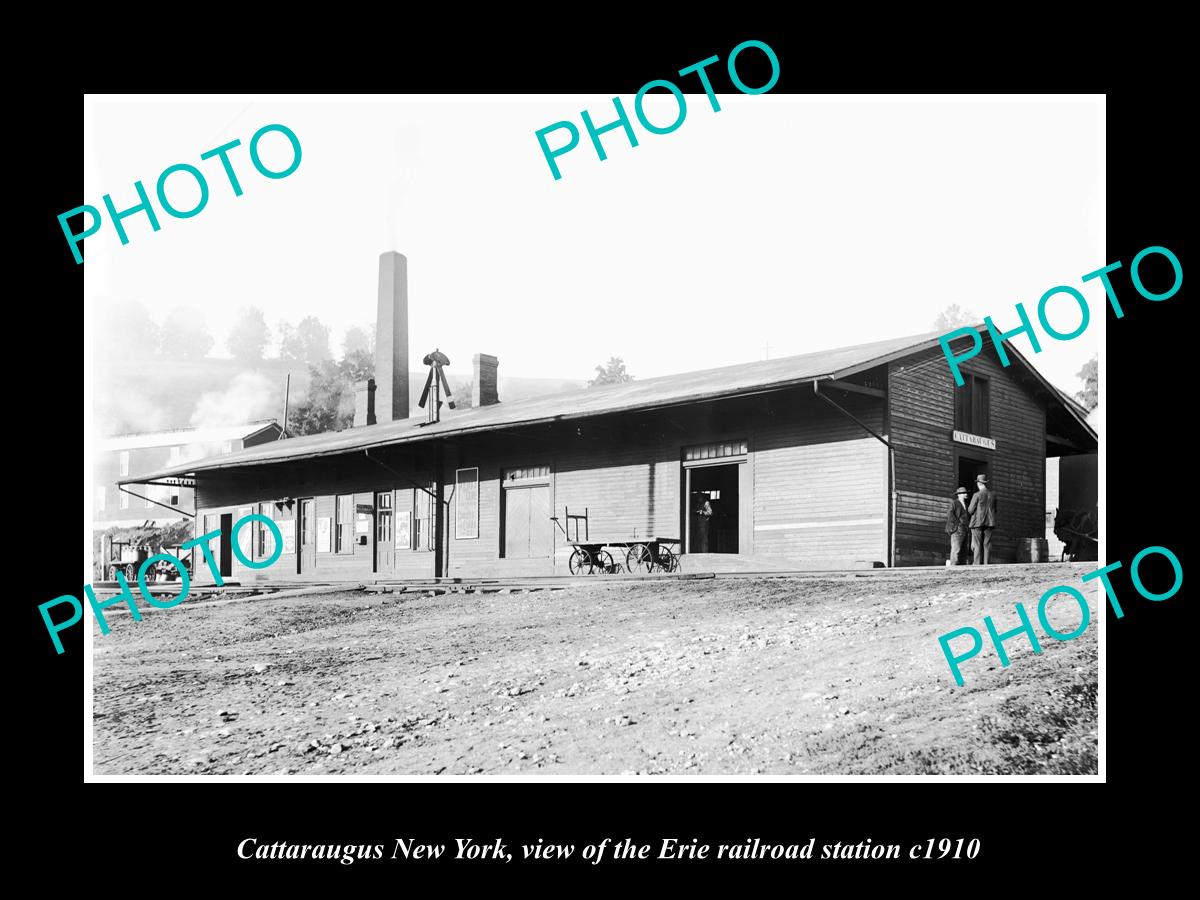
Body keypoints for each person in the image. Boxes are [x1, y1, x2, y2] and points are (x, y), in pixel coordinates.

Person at [967, 473, 998, 565]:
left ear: (978, 484)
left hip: (977, 522)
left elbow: (970, 510)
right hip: (990, 522)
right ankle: (986, 564)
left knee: (977, 544)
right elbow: (995, 509)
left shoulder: (977, 495)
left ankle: (976, 564)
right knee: (987, 544)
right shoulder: (993, 495)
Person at [944, 486, 971, 565]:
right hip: (957, 530)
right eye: (963, 493)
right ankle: (953, 566)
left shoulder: (966, 505)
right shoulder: (954, 503)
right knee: (956, 549)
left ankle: (961, 567)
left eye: (965, 493)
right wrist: (957, 524)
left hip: (965, 529)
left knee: (964, 550)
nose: (965, 494)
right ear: (959, 495)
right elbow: (950, 514)